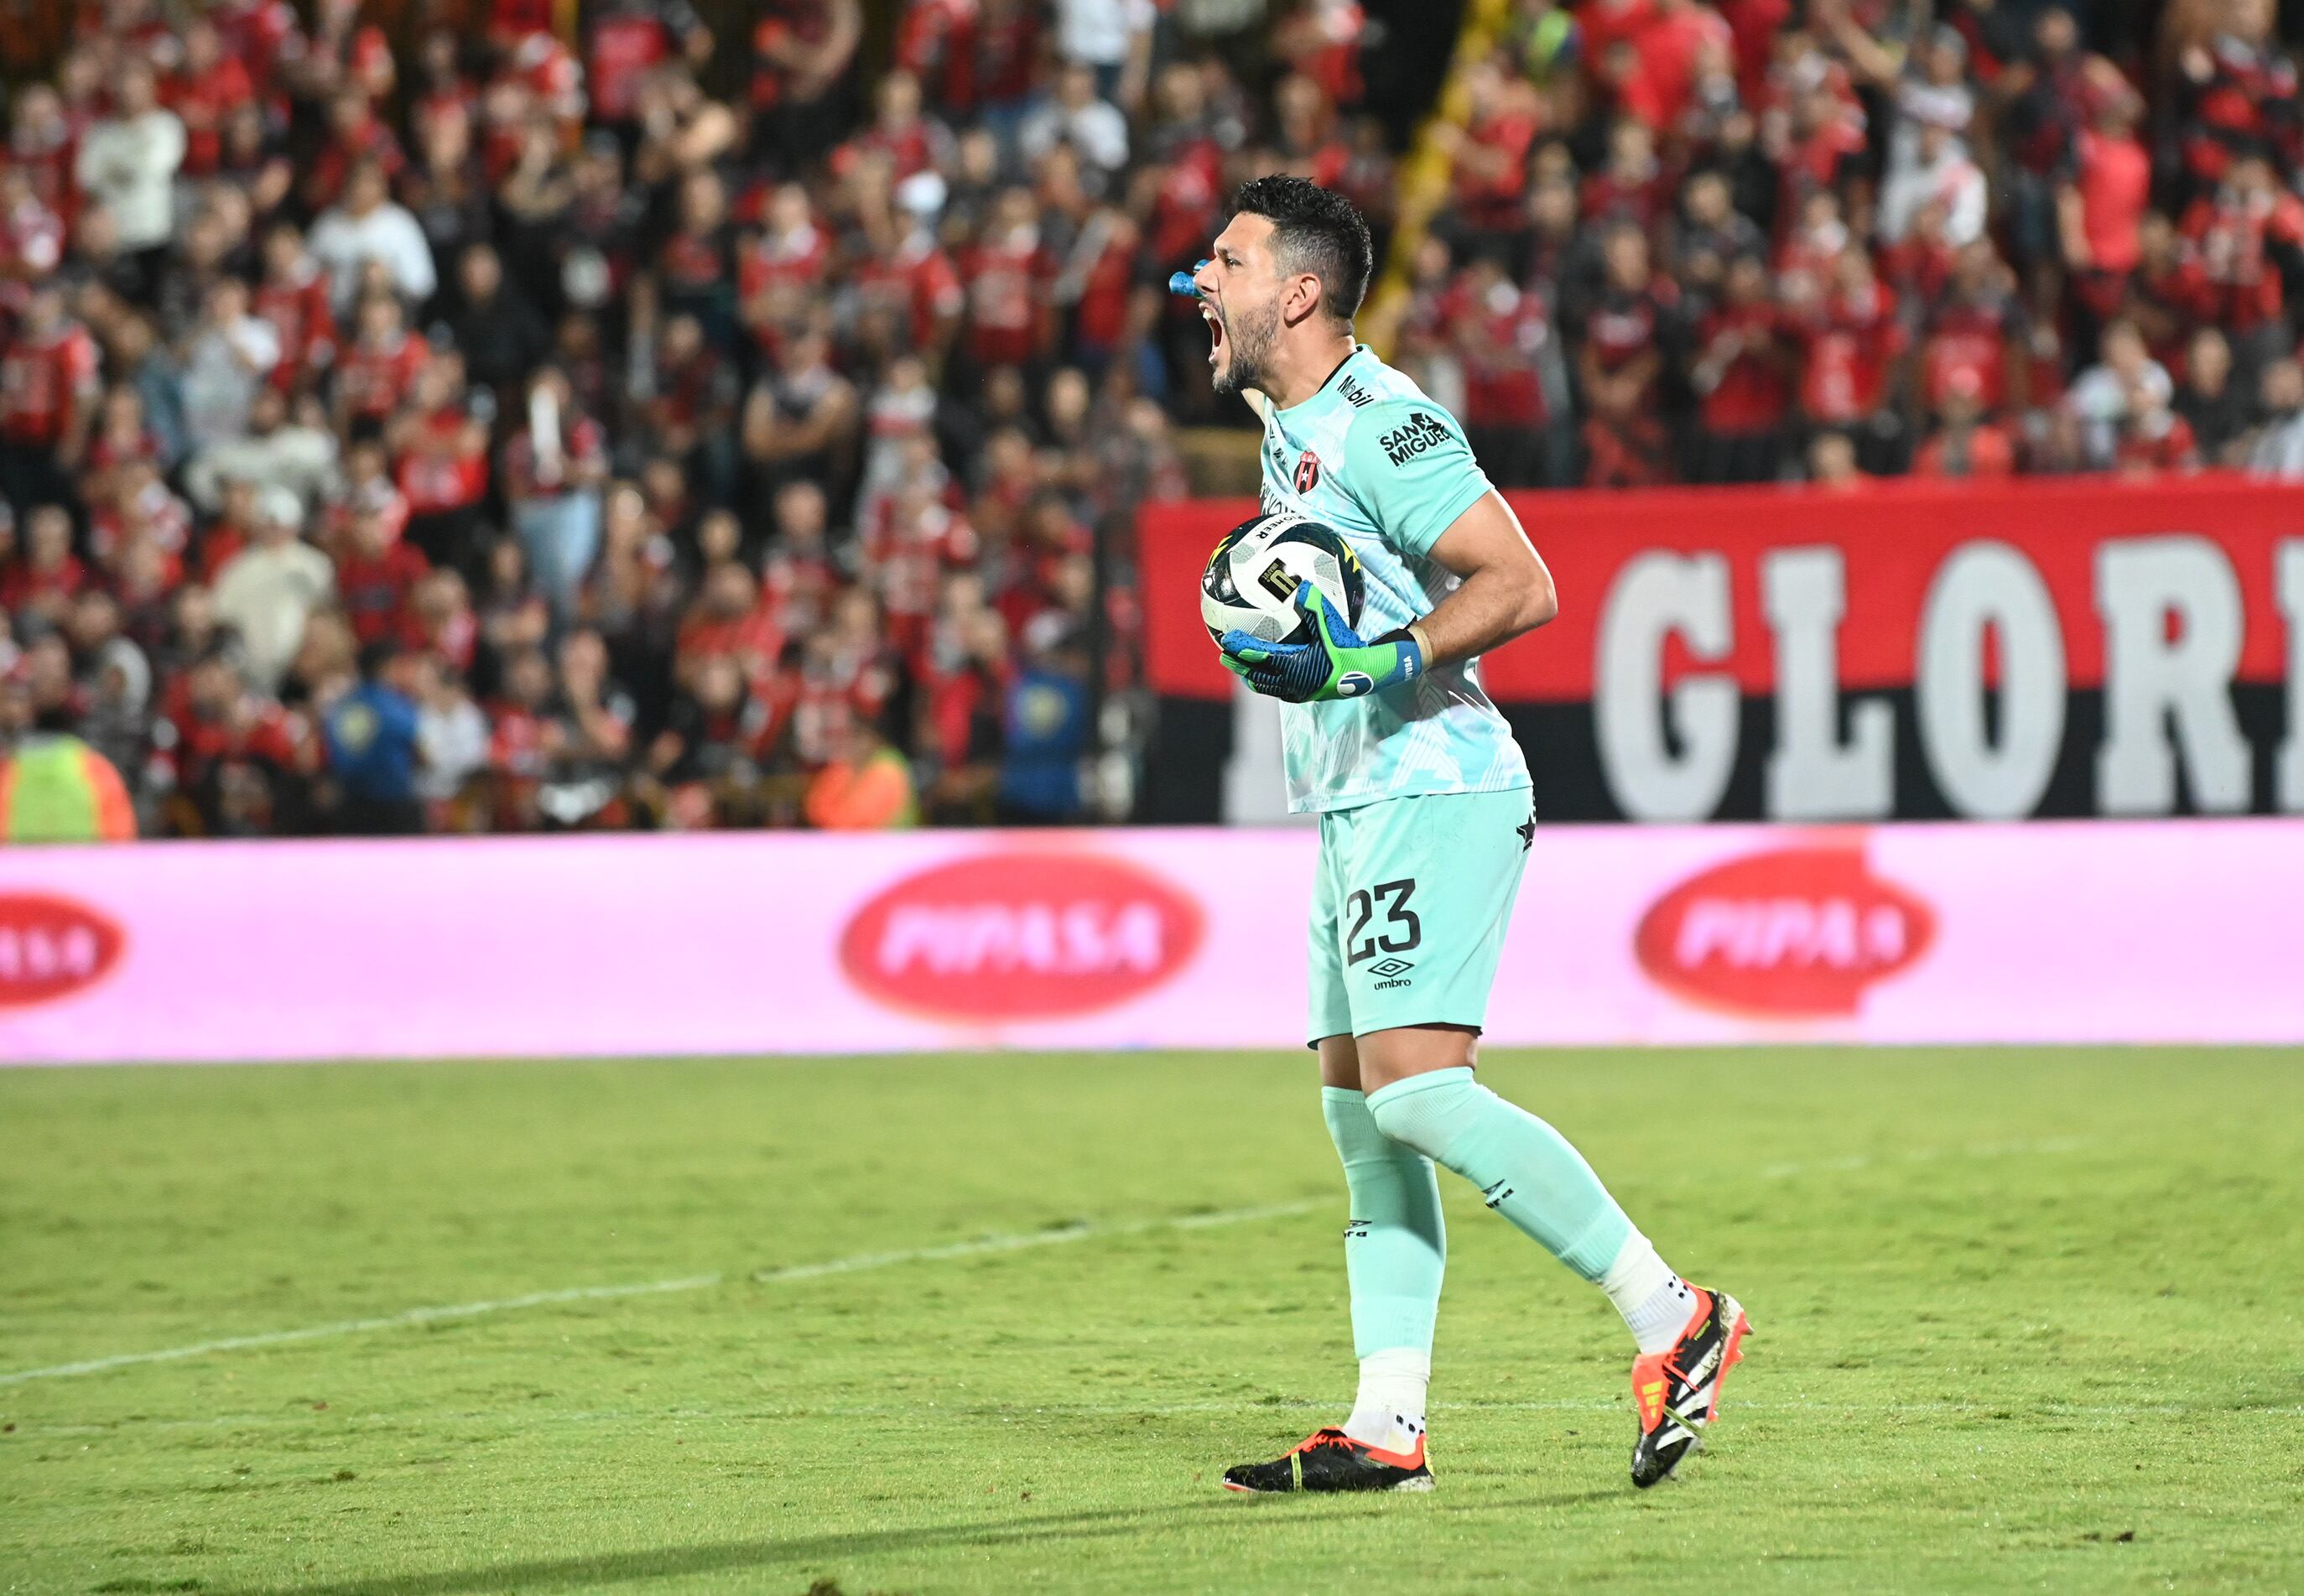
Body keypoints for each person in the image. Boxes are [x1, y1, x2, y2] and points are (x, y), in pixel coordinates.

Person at [1189, 176, 1747, 1495]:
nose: (1201, 282)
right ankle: (1389, 1425)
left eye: (1228, 261)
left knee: (1421, 1091)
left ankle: (1676, 1318)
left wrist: (1374, 658)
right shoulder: (1293, 413)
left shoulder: (1388, 424)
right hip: (1348, 799)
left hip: (1431, 784)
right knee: (1362, 1119)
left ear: (1300, 291)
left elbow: (1523, 583)